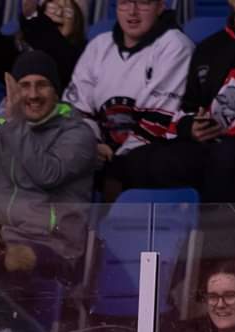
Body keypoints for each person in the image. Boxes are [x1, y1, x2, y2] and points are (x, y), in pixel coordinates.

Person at [0, 50, 97, 282]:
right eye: (24, 85)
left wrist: (15, 124)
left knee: (12, 262)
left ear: (56, 91)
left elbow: (48, 174)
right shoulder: (7, 128)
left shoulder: (78, 133)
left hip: (52, 245)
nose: (33, 94)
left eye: (42, 85)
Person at [63, 0, 193, 198]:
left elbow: (159, 121)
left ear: (160, 6)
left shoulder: (175, 45)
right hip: (99, 150)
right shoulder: (99, 45)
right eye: (124, 3)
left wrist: (115, 163)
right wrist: (93, 145)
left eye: (143, 3)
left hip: (150, 157)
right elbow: (77, 109)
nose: (132, 12)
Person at [140, 0, 235, 201]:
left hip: (231, 153)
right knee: (142, 159)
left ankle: (218, 230)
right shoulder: (208, 48)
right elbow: (187, 107)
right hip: (210, 145)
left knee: (227, 156)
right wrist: (191, 127)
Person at [0, 0, 86, 96]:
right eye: (50, 6)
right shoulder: (20, 50)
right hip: (17, 115)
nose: (58, 12)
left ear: (77, 20)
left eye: (66, 9)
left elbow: (58, 55)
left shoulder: (86, 54)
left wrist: (33, 17)